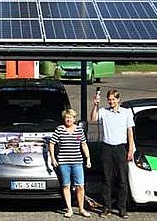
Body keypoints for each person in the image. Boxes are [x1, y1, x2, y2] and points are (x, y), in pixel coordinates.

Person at [89, 90, 134, 218]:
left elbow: (129, 131)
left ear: (118, 99)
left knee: (122, 180)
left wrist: (130, 150)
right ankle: (106, 207)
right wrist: (95, 105)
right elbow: (93, 118)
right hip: (107, 148)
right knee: (107, 179)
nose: (111, 101)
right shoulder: (103, 111)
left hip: (121, 148)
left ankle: (122, 208)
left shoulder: (126, 112)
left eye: (113, 99)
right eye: (109, 99)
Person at [48, 109, 92, 218]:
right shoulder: (59, 129)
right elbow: (52, 143)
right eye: (67, 117)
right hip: (64, 162)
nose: (69, 119)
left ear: (74, 118)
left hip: (77, 162)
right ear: (64, 118)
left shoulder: (79, 130)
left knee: (80, 186)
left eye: (71, 117)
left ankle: (81, 209)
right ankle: (69, 209)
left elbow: (84, 144)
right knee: (66, 185)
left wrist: (88, 158)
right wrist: (53, 158)